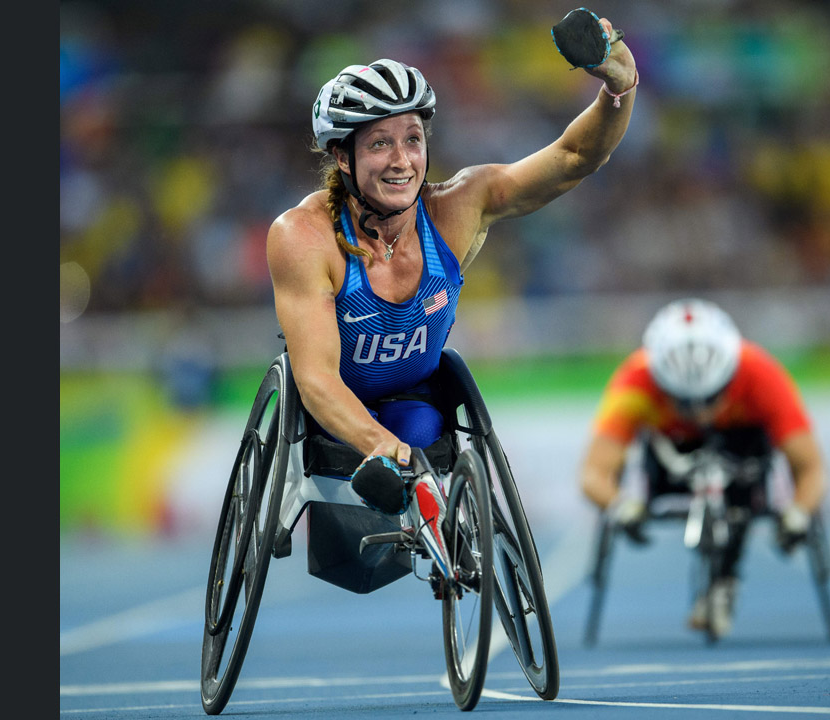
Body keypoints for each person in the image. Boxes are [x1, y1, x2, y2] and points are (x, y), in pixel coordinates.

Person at [265, 11, 638, 520]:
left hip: (416, 403)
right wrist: (383, 448)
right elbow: (317, 381)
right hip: (333, 415)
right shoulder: (302, 237)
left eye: (412, 139)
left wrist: (619, 86)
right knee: (396, 455)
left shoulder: (457, 208)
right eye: (380, 143)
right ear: (343, 157)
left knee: (421, 434)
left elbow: (575, 156)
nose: (403, 160)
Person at [578, 298, 828, 639]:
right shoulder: (634, 381)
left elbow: (811, 465)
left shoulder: (761, 373)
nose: (700, 414)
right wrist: (621, 507)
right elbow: (593, 473)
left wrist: (798, 514)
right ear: (661, 380)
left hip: (743, 458)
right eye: (684, 402)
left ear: (729, 373)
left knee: (753, 447)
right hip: (669, 461)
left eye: (712, 398)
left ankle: (727, 576)